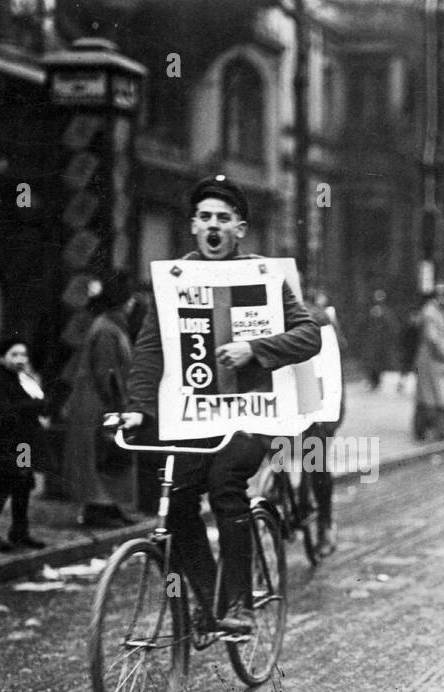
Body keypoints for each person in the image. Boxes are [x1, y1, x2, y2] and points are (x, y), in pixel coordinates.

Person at [118, 174, 321, 635]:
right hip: (198, 416)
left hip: (252, 416)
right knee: (180, 498)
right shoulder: (174, 281)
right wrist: (138, 409)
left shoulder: (263, 277)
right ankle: (213, 604)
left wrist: (256, 348)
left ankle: (241, 602)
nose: (214, 226)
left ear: (240, 229)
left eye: (223, 219)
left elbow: (307, 335)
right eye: (205, 217)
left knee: (226, 482)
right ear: (192, 226)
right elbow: (151, 350)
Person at [63, 271, 139, 529]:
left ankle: (110, 507)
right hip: (98, 405)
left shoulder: (109, 325)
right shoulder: (108, 329)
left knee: (107, 459)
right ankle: (100, 508)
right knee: (102, 458)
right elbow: (107, 374)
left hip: (96, 402)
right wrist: (117, 405)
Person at [0, 338, 51, 551]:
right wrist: (35, 405)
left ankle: (20, 531)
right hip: (3, 447)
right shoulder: (1, 382)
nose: (20, 360)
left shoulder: (23, 379)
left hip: (22, 446)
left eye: (23, 355)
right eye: (14, 355)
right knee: (2, 487)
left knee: (23, 484)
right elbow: (8, 411)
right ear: (2, 358)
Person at [304, 289, 348, 558]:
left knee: (315, 460)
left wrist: (327, 418)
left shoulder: (319, 319)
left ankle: (325, 524)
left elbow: (332, 374)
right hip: (285, 404)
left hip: (318, 404)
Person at [414, 282, 444, 440]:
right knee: (434, 396)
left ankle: (432, 430)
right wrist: (443, 355)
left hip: (434, 360)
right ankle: (432, 430)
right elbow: (432, 338)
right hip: (433, 360)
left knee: (433, 396)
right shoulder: (431, 312)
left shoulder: (436, 311)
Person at [361, 288, 401, 390]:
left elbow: (393, 326)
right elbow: (366, 325)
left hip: (383, 342)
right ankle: (374, 381)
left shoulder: (386, 312)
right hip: (374, 342)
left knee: (388, 362)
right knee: (374, 362)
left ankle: (399, 381)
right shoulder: (372, 311)